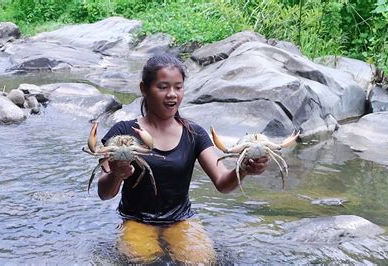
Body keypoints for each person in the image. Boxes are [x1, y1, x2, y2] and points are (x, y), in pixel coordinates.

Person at [96, 53, 269, 264]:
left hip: (181, 219)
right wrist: (116, 174)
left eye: (178, 87)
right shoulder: (123, 133)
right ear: (144, 89)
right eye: (163, 87)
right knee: (144, 261)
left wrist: (243, 170)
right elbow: (105, 193)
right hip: (136, 220)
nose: (172, 95)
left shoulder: (193, 134)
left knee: (201, 262)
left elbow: (223, 183)